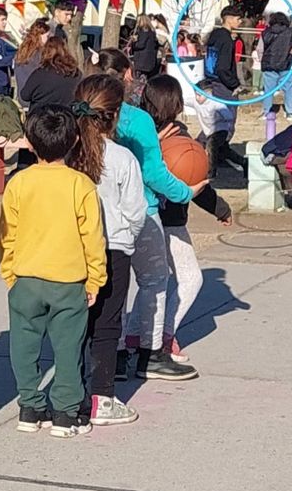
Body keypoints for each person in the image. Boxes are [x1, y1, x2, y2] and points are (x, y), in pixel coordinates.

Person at [0, 107, 107, 437]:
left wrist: (9, 272)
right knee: (68, 348)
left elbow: (6, 233)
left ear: (29, 142)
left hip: (26, 278)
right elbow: (93, 237)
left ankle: (30, 406)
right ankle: (66, 412)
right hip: (68, 281)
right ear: (74, 140)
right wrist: (95, 278)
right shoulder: (82, 185)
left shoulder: (18, 182)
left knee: (23, 345)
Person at [93, 49, 200, 382]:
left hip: (94, 212)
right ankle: (149, 354)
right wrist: (185, 192)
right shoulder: (137, 120)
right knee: (154, 280)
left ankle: (115, 353)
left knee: (111, 288)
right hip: (139, 212)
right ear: (126, 77)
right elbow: (153, 172)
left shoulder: (82, 116)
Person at [66, 75, 146, 427]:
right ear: (114, 116)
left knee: (73, 324)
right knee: (107, 325)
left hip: (72, 248)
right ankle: (101, 396)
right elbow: (136, 210)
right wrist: (128, 236)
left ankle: (69, 394)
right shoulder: (122, 158)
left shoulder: (66, 151)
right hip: (113, 247)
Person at [141, 75, 233, 362]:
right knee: (189, 278)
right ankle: (163, 337)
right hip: (168, 220)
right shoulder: (177, 137)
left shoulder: (136, 129)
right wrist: (219, 207)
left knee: (149, 283)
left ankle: (133, 337)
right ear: (177, 104)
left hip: (138, 216)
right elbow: (194, 180)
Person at [200, 5, 248, 176]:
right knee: (221, 128)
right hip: (223, 86)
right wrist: (235, 84)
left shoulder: (214, 35)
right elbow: (222, 67)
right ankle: (206, 162)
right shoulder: (226, 40)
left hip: (212, 83)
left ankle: (237, 161)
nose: (240, 21)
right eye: (237, 18)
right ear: (227, 18)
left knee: (215, 126)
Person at [20, 34, 83, 114]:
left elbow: (24, 95)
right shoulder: (75, 74)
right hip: (66, 118)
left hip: (40, 118)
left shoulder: (40, 74)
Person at [259, 11, 292, 139]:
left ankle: (266, 112)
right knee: (289, 89)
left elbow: (260, 49)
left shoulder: (265, 33)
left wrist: (261, 60)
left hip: (269, 65)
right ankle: (290, 112)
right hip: (286, 65)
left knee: (268, 91)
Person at [11, 18, 50, 108]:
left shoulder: (22, 52)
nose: (48, 39)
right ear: (39, 36)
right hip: (35, 99)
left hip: (22, 97)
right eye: (47, 37)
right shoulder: (39, 54)